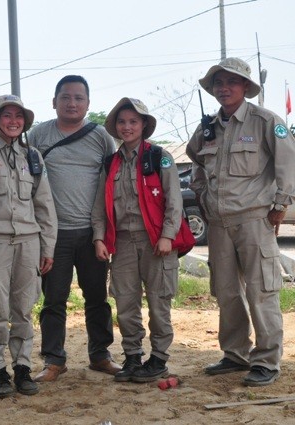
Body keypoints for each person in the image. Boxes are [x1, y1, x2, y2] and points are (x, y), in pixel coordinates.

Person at [186, 57, 295, 386]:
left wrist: (281, 203)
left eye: (231, 82)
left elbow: (288, 162)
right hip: (218, 224)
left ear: (245, 86)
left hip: (253, 219)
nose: (224, 88)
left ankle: (266, 360)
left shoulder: (265, 121)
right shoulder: (207, 128)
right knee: (227, 291)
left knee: (261, 289)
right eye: (218, 82)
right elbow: (196, 162)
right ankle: (235, 354)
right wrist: (202, 194)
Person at [28, 75, 120, 381]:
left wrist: (104, 233)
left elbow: (111, 184)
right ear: (54, 102)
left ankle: (100, 355)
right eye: (65, 97)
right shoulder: (37, 136)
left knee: (96, 298)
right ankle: (54, 360)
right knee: (54, 299)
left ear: (88, 104)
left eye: (79, 98)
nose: (72, 103)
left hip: (92, 234)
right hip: (54, 235)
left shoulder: (101, 137)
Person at [0, 95, 58, 398]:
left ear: (25, 121)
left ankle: (22, 368)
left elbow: (44, 203)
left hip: (29, 242)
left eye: (18, 116)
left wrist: (48, 247)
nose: (13, 121)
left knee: (23, 309)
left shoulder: (33, 156)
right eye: (6, 115)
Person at [91, 97, 183, 382]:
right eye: (122, 122)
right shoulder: (110, 163)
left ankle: (158, 359)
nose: (127, 127)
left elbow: (174, 201)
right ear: (116, 127)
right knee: (126, 302)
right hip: (122, 242)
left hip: (155, 242)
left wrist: (168, 235)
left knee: (158, 302)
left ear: (144, 124)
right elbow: (99, 206)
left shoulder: (159, 156)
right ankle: (132, 357)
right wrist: (98, 238)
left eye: (133, 121)